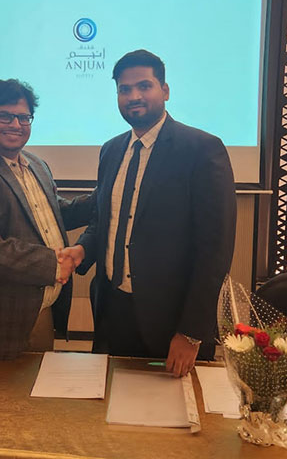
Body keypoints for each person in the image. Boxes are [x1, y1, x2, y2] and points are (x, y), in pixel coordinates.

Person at [63, 50, 237, 377]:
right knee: (110, 400)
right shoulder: (111, 150)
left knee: (174, 406)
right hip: (112, 313)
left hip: (171, 322)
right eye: (124, 89)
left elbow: (215, 250)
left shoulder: (201, 149)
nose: (134, 96)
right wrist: (82, 248)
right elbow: (106, 220)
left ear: (165, 90)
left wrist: (191, 332)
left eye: (144, 86)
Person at [0, 79, 93, 359]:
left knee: (36, 384)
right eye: (4, 116)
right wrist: (53, 264)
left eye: (24, 117)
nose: (16, 125)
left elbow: (53, 214)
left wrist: (107, 195)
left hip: (40, 309)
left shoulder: (37, 165)